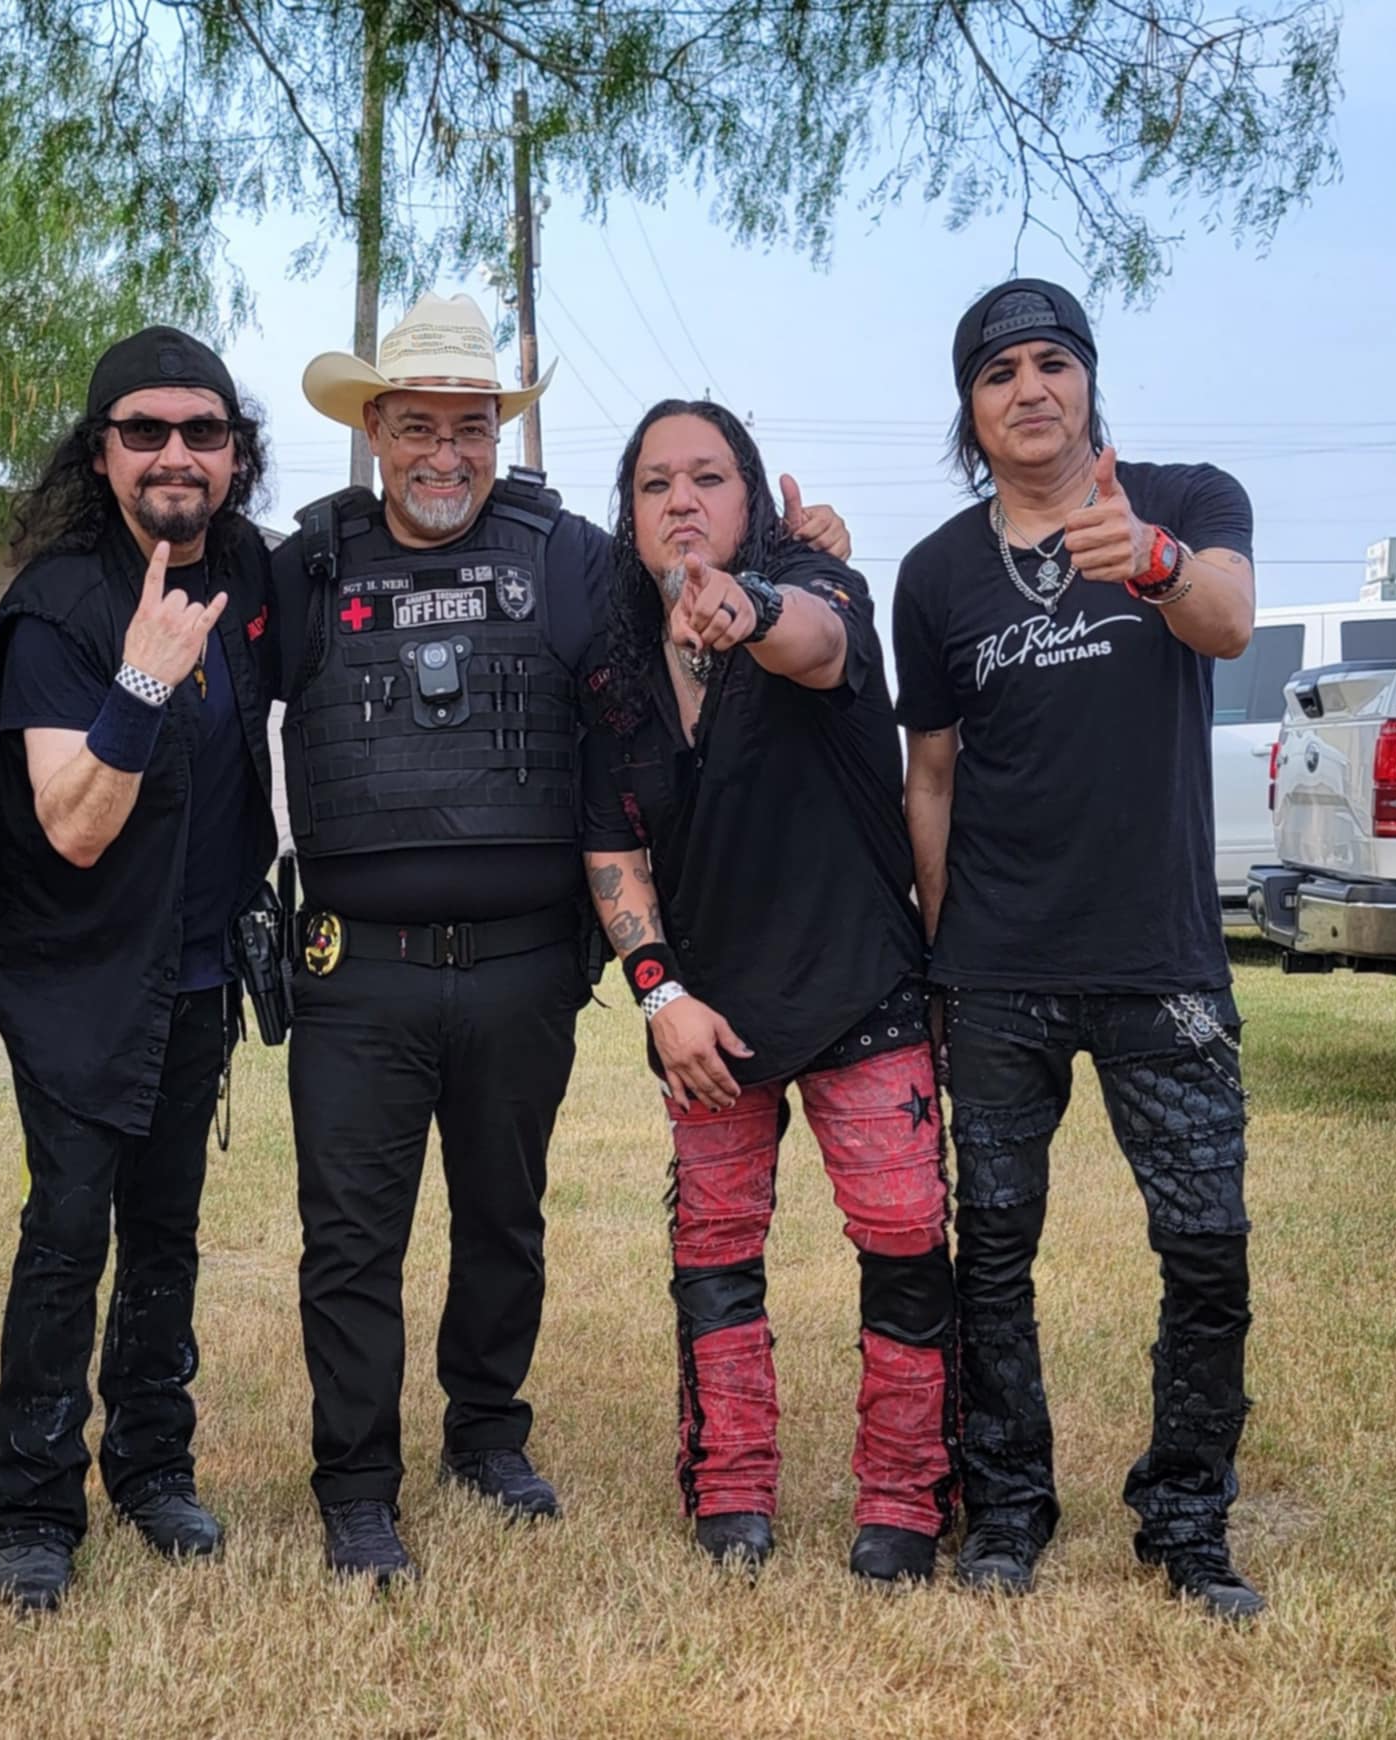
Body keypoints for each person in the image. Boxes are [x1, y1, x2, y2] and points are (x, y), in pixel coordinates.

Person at [274, 294, 851, 1584]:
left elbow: (683, 591)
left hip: (523, 968)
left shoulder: (567, 554)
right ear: (373, 431)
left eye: (469, 428)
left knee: (503, 1220)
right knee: (351, 1242)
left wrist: (799, 550)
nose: (443, 454)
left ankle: (485, 1435)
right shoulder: (305, 562)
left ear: (496, 434)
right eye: (416, 427)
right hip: (354, 976)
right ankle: (356, 1485)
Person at [892, 278, 1263, 1620]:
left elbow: (1229, 619)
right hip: (999, 970)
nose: (1029, 388)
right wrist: (940, 954)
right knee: (993, 1254)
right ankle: (1007, 1508)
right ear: (971, 411)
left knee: (1205, 1249)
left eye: (1052, 361)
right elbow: (931, 776)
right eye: (997, 373)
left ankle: (1186, 1519)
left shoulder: (1185, 500)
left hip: (1164, 962)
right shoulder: (935, 574)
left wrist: (1151, 561)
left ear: (1089, 379)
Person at [581, 400, 955, 1580]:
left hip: (858, 987)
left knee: (902, 1238)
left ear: (749, 495)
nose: (680, 500)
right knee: (713, 1252)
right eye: (654, 484)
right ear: (629, 512)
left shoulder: (814, 584)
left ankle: (902, 1495)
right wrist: (658, 996)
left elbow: (818, 644)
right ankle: (730, 1486)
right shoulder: (613, 665)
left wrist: (744, 608)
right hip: (707, 1015)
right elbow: (611, 851)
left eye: (707, 476)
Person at [0, 328, 277, 1613]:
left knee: (166, 1235)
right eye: (143, 430)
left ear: (235, 454)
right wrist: (143, 683)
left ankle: (152, 1469)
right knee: (65, 1235)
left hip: (198, 974)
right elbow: (73, 825)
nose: (173, 454)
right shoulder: (57, 606)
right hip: (78, 976)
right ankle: (30, 1506)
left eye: (201, 431)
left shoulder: (255, 573)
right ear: (98, 454)